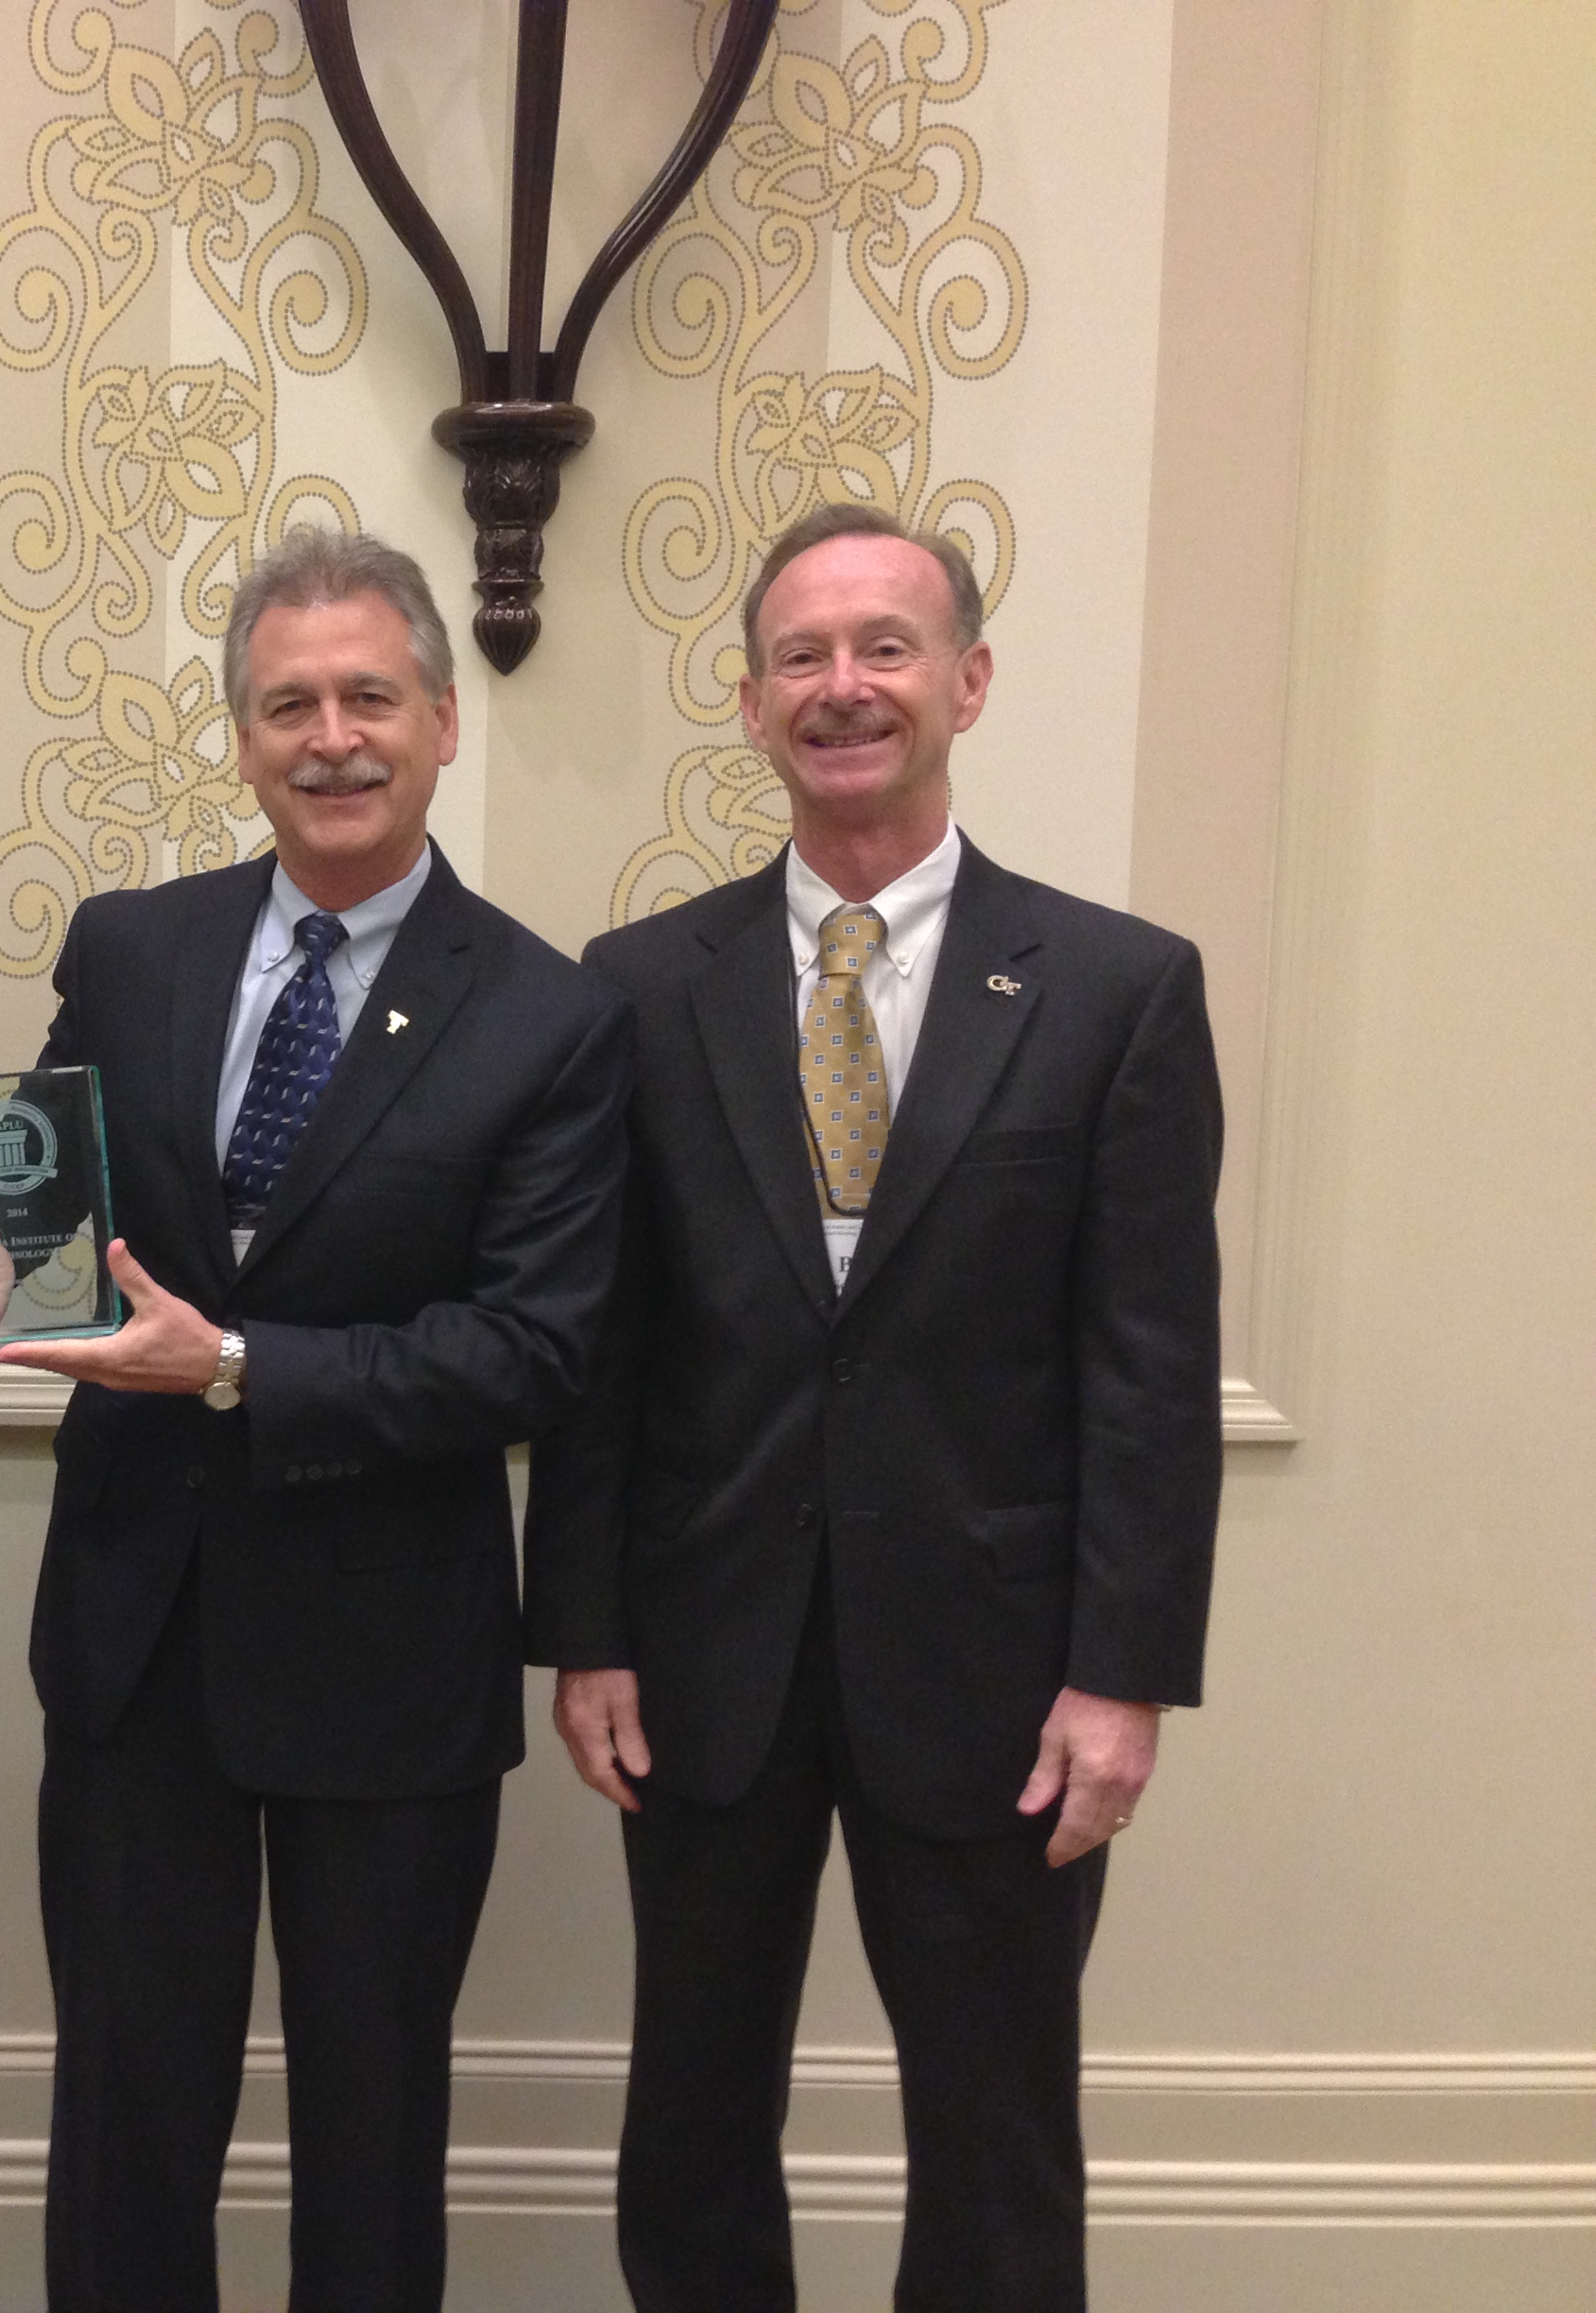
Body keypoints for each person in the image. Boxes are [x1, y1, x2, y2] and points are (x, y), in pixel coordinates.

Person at [0, 527, 633, 2312]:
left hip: (389, 1669)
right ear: (239, 739)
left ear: (445, 722)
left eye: (370, 696)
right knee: (127, 2124)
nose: (332, 737)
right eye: (289, 703)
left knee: (372, 2143)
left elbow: (529, 1350)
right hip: (137, 1647)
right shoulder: (134, 947)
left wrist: (232, 1369)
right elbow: (37, 1243)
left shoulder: (551, 1012)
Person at [529, 501, 1223, 2310]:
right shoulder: (641, 991)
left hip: (1002, 1674)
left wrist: (1124, 1673)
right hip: (704, 1656)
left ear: (968, 682)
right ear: (750, 703)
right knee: (689, 2124)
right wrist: (587, 1631)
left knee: (997, 2138)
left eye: (886, 648)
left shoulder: (1117, 991)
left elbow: (1148, 1364)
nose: (845, 688)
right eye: (802, 658)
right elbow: (611, 1351)